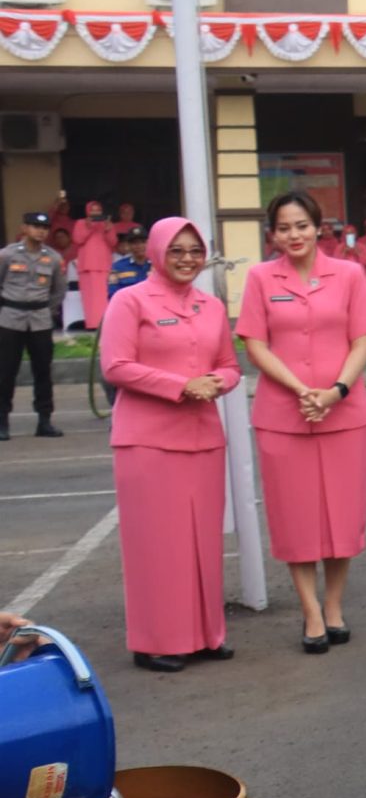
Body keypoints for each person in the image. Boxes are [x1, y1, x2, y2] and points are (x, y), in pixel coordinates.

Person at [237, 189, 366, 653]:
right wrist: (301, 391)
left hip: (344, 414)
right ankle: (311, 612)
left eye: (301, 225)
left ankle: (335, 606)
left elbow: (361, 340)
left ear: (319, 227)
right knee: (296, 519)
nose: (294, 234)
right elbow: (255, 344)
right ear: (272, 234)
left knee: (342, 516)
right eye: (284, 227)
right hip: (284, 416)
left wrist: (336, 391)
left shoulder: (349, 275)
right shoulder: (260, 278)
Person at [98, 217, 239, 673]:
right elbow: (116, 365)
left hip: (202, 438)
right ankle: (157, 640)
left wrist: (217, 381)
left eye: (194, 251)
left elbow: (229, 365)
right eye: (176, 250)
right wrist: (181, 385)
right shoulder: (130, 299)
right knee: (157, 545)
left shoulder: (212, 306)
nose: (186, 259)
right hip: (148, 440)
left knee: (202, 541)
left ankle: (204, 634)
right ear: (157, 252)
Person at [0, 211, 67, 439]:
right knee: (5, 372)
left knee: (43, 373)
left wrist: (46, 311)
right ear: (24, 228)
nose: (41, 231)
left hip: (39, 320)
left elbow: (58, 291)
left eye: (45, 227)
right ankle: (2, 422)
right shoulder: (7, 255)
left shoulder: (54, 259)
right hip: (10, 318)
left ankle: (44, 421)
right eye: (36, 226)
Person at [68, 196, 117, 331]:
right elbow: (78, 239)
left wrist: (108, 229)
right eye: (92, 210)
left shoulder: (106, 224)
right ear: (87, 212)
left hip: (103, 265)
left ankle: (105, 323)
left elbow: (113, 242)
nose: (95, 213)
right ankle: (92, 324)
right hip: (87, 266)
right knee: (90, 298)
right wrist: (89, 227)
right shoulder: (80, 223)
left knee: (103, 296)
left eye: (98, 210)